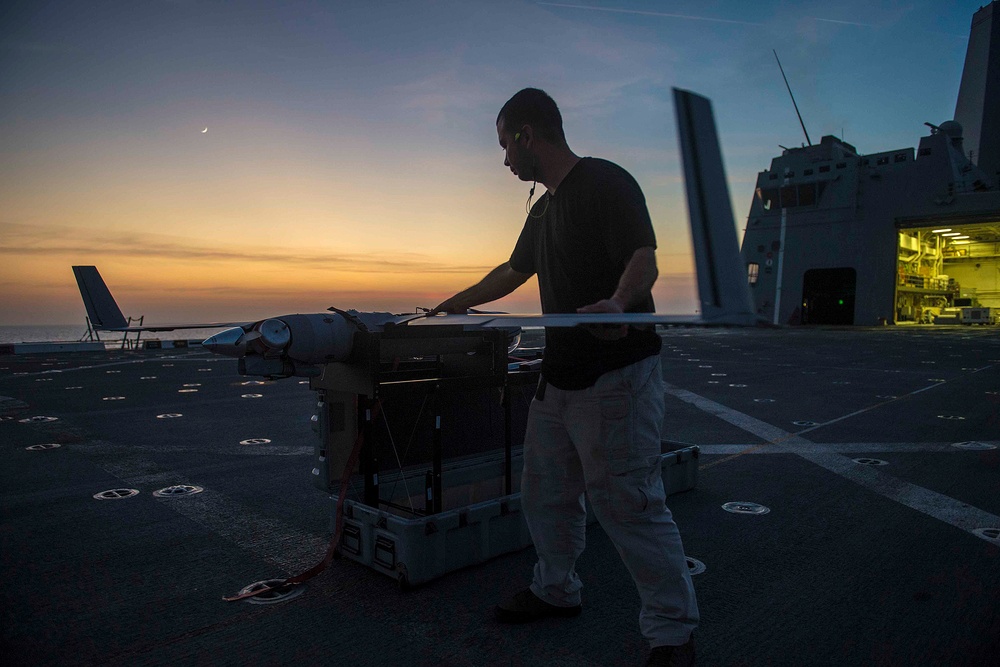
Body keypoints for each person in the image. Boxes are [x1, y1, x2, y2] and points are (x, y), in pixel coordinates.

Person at [433, 88, 699, 666]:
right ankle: (556, 590)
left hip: (616, 374)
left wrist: (619, 302)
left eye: (506, 145)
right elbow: (512, 269)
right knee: (546, 494)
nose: (505, 161)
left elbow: (644, 256)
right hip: (559, 380)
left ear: (529, 135)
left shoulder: (605, 182)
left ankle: (673, 634)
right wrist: (452, 304)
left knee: (630, 504)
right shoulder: (544, 208)